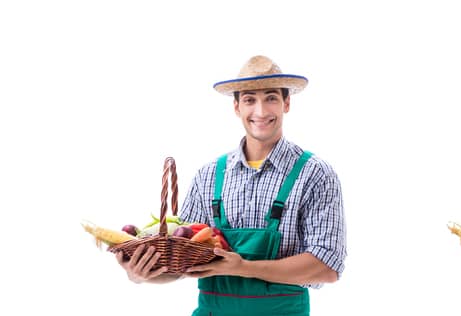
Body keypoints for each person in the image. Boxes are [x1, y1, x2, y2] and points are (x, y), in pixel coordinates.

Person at [117, 55, 347, 316]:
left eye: (271, 98)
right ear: (237, 107)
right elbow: (182, 264)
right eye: (250, 99)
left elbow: (327, 267)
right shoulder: (209, 176)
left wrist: (242, 267)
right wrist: (139, 275)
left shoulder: (315, 174)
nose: (260, 111)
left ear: (287, 103)